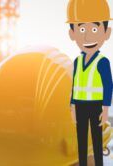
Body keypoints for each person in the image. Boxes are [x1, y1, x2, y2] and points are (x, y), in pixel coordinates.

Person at [67, 0, 113, 165]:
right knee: (82, 143)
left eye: (94, 29)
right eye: (81, 29)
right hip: (80, 106)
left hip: (95, 106)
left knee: (95, 141)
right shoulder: (77, 62)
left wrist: (105, 108)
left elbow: (108, 86)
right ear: (72, 34)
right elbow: (74, 85)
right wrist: (72, 106)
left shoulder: (102, 62)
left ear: (106, 33)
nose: (87, 36)